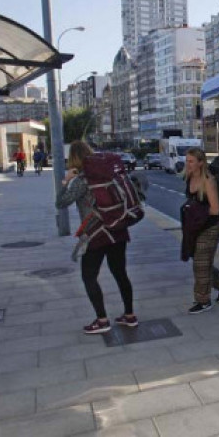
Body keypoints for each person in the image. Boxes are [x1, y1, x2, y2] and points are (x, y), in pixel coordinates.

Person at [56, 140, 137, 334]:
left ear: (73, 158)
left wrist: (66, 181)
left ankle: (102, 320)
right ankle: (130, 315)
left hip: (96, 234)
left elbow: (61, 203)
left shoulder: (82, 180)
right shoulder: (108, 174)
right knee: (120, 273)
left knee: (89, 276)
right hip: (118, 229)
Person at [182, 147, 219, 314]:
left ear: (200, 163)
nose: (187, 164)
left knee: (200, 264)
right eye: (187, 160)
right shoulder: (189, 176)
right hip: (197, 224)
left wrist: (194, 211)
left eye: (191, 161)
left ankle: (203, 301)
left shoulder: (208, 181)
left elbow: (216, 209)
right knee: (202, 261)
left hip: (211, 225)